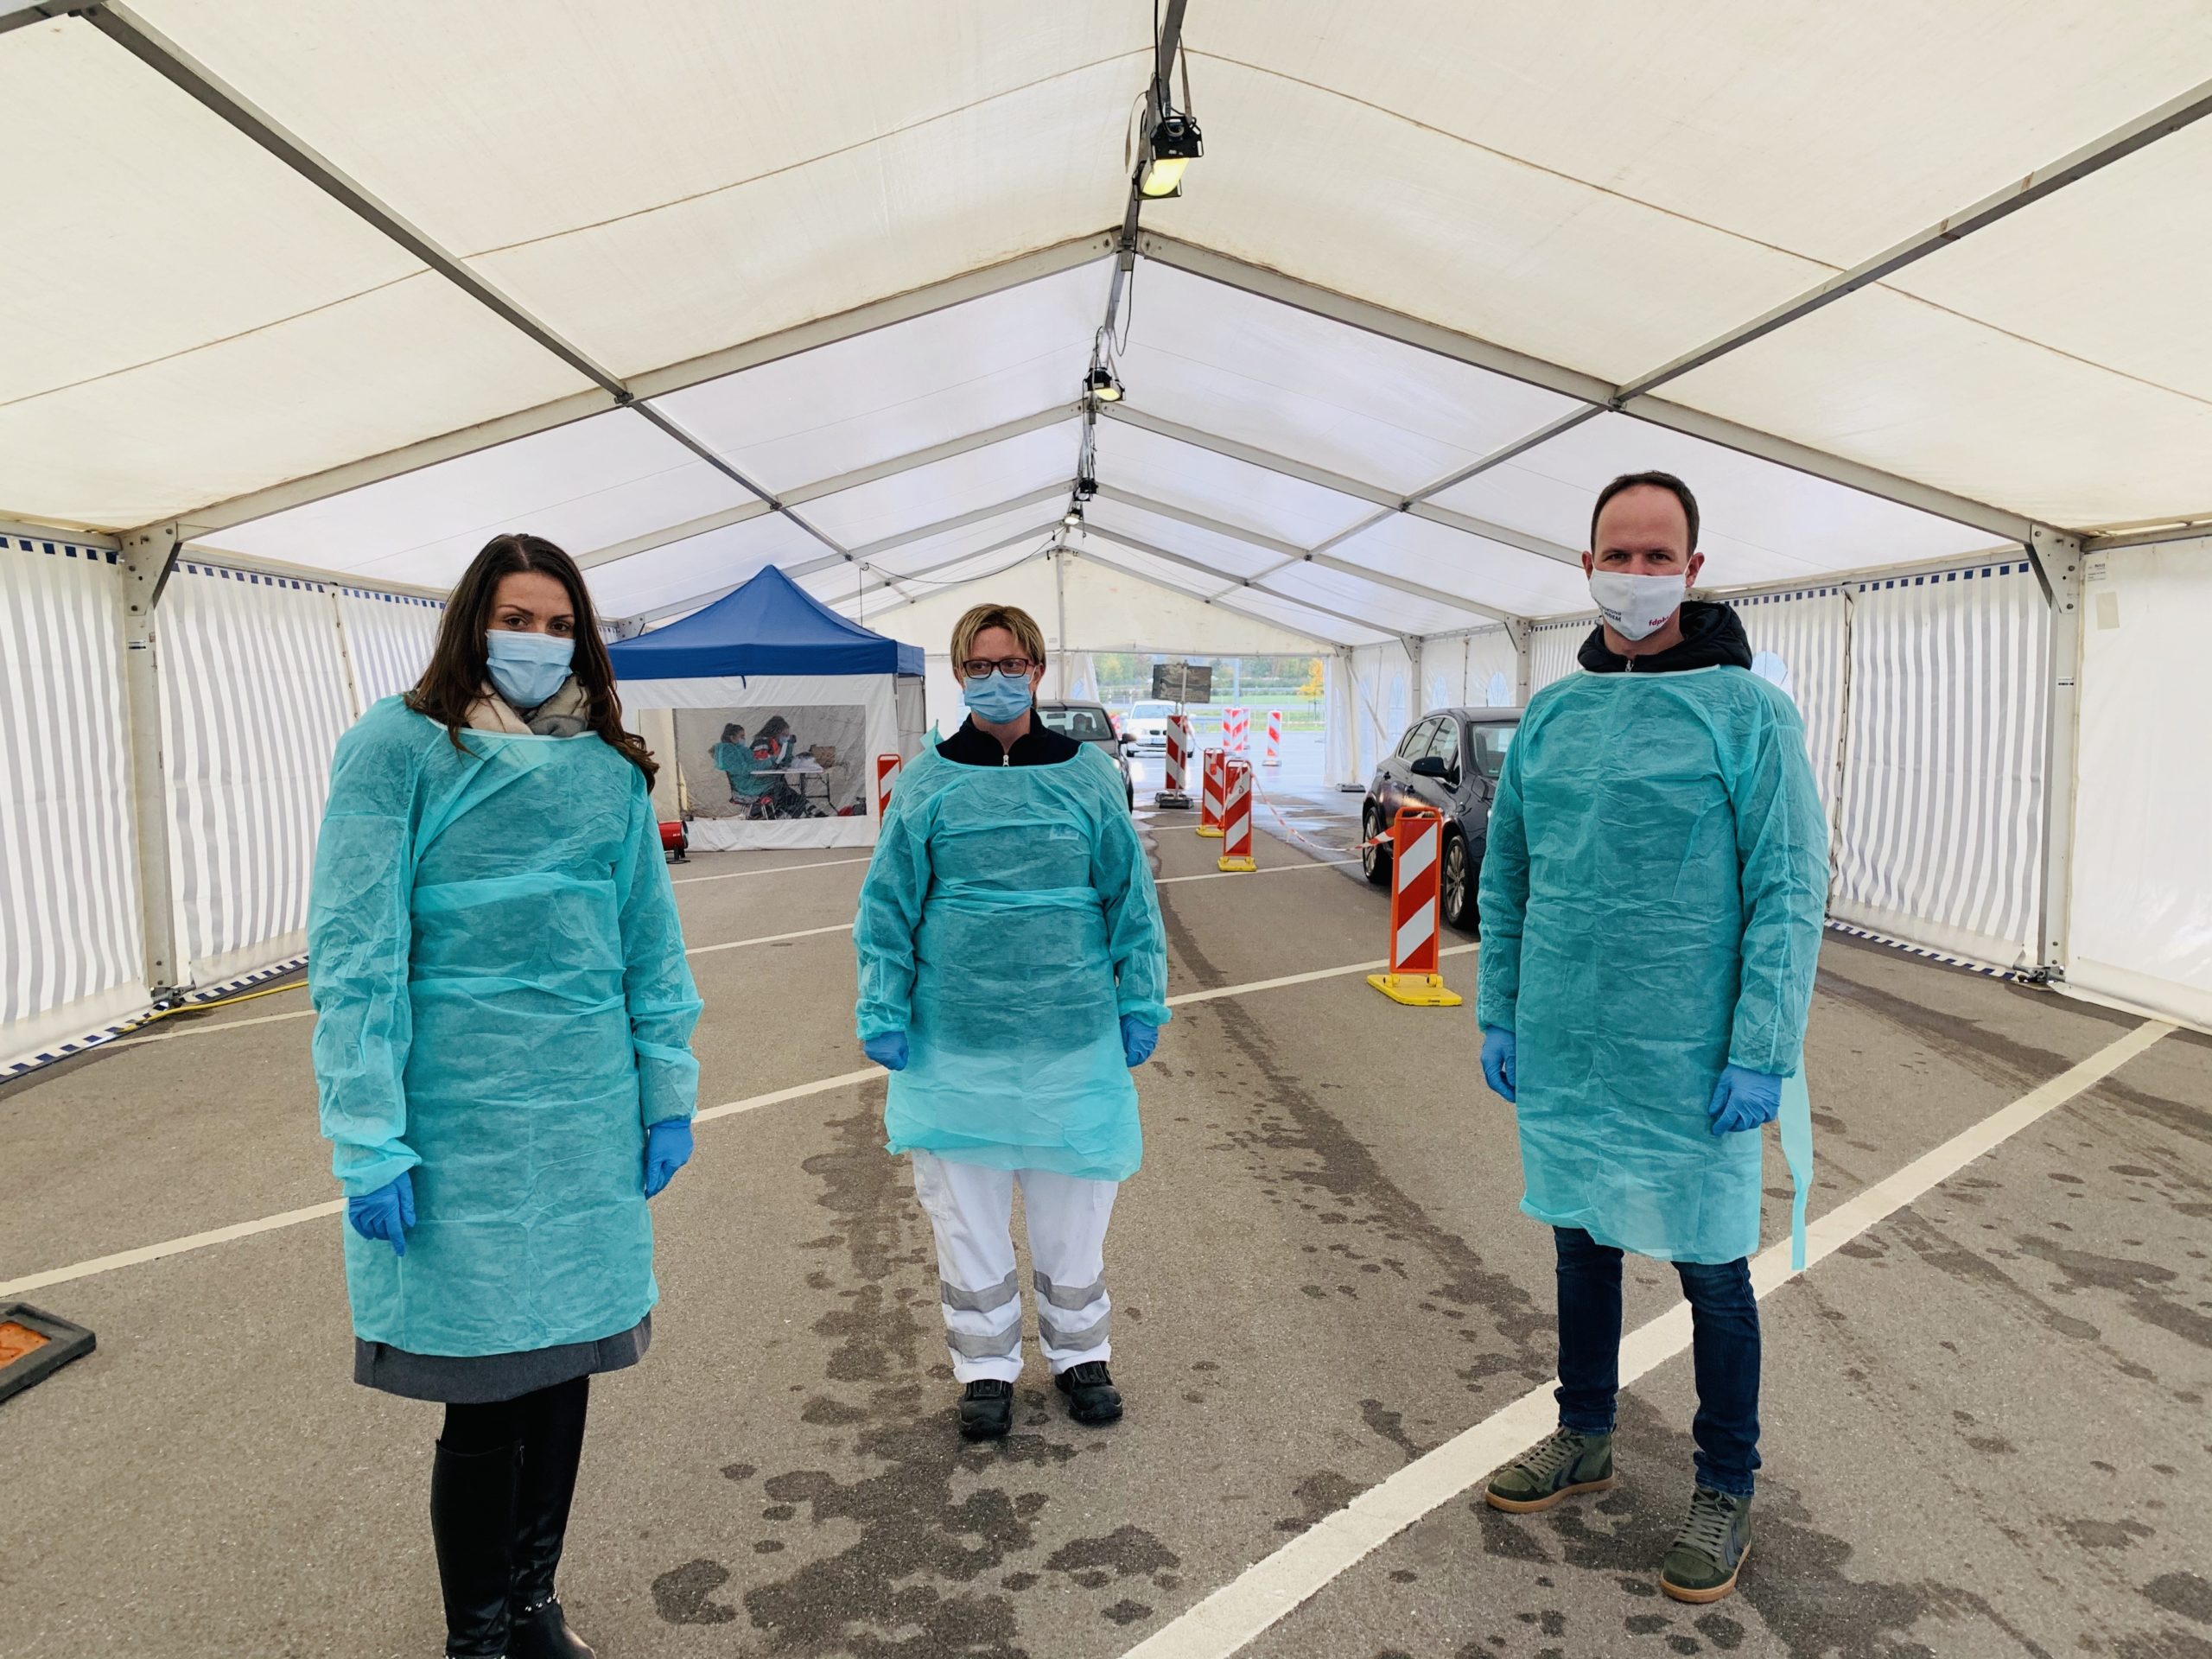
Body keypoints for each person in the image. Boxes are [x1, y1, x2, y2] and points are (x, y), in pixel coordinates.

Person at [309, 532, 703, 1659]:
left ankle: (534, 1606)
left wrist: (664, 1089)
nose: (535, 642)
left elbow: (648, 946)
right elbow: (356, 952)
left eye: (555, 622)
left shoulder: (606, 768)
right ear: (470, 622)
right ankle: (475, 1637)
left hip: (582, 1117)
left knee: (566, 1368)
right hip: (457, 1120)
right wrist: (368, 1134)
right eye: (514, 619)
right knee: (484, 1391)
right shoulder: (397, 751)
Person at [1475, 472, 1826, 1605]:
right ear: (1586, 567)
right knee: (1581, 1240)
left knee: (1713, 1273)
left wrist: (1760, 1045)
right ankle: (1585, 1431)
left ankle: (1725, 1484)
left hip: (1691, 1052)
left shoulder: (1749, 714)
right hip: (1572, 1045)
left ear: (1693, 566)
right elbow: (1513, 876)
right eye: (1616, 554)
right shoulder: (1553, 715)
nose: (1635, 573)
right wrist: (1501, 1008)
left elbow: (1787, 889)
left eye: (1655, 553)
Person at [852, 603, 1170, 1442]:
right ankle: (984, 1368)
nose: (998, 680)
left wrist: (1140, 999)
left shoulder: (1086, 776)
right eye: (980, 665)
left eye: (1013, 664)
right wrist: (881, 1004)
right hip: (955, 1040)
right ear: (959, 673)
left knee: (1075, 1210)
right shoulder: (925, 781)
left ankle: (1080, 1354)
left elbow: (1129, 903)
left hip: (1072, 1036)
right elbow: (888, 906)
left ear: (1036, 669)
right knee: (965, 1211)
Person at [710, 721, 763, 808]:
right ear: (732, 738)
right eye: (742, 736)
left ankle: (762, 814)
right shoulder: (734, 752)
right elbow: (744, 769)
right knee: (776, 785)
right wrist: (765, 763)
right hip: (745, 788)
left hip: (739, 787)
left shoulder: (724, 751)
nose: (744, 739)